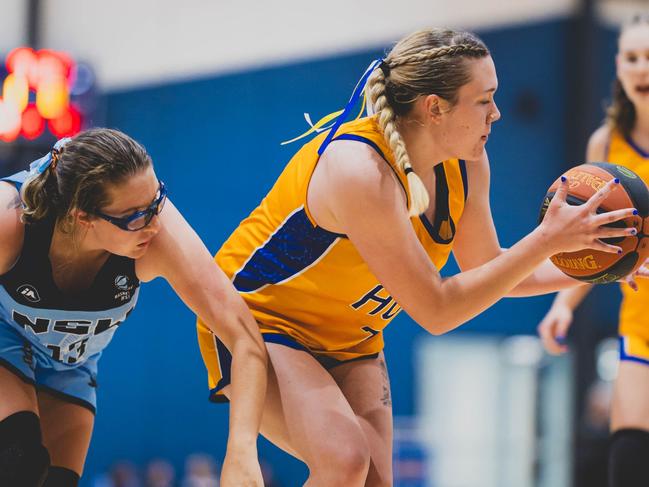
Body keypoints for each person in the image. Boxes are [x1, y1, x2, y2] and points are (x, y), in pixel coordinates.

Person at [196, 28, 637, 486]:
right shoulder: (360, 170)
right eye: (484, 100)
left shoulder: (466, 164)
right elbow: (436, 310)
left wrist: (600, 263)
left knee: (372, 480)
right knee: (344, 460)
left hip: (349, 338)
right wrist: (546, 241)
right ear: (434, 107)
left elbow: (491, 271)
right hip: (258, 318)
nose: (497, 113)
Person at [0, 129, 267, 487]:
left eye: (157, 200)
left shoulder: (158, 238)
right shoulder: (9, 222)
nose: (155, 224)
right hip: (5, 339)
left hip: (70, 365)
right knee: (19, 463)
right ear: (84, 217)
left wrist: (242, 451)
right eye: (135, 216)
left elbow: (245, 336)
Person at [537, 14, 649, 487]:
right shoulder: (605, 145)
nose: (641, 67)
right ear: (618, 66)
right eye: (631, 57)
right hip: (640, 323)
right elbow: (587, 240)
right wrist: (562, 305)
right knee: (627, 460)